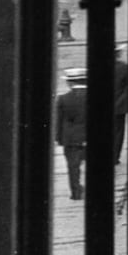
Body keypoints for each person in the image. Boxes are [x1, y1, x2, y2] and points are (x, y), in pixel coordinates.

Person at [55, 67, 88, 201]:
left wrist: (59, 139)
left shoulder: (63, 99)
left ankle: (76, 193)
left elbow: (59, 121)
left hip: (71, 138)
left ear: (70, 83)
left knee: (73, 167)